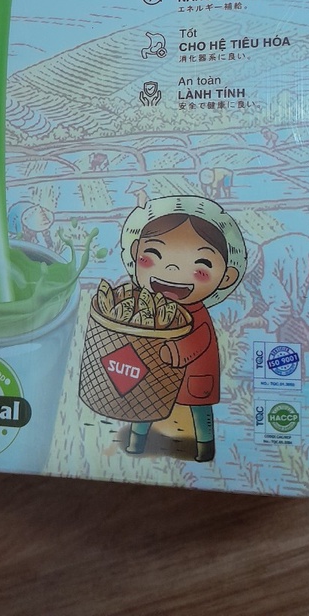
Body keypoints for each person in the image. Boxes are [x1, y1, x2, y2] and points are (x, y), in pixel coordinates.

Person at [118, 195, 246, 462]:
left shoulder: (197, 314)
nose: (173, 269)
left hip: (193, 375)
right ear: (135, 252)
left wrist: (173, 353)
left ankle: (205, 447)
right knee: (145, 404)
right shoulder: (148, 305)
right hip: (155, 373)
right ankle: (136, 442)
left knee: (200, 410)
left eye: (202, 266)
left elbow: (199, 340)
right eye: (154, 255)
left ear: (226, 277)